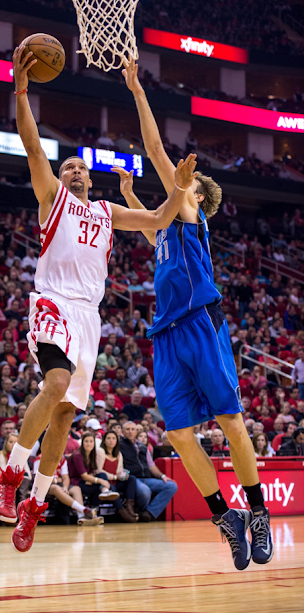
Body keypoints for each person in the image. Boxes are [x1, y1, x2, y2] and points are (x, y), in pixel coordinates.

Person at [0, 43, 192, 553]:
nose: (76, 170)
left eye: (82, 167)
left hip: (89, 318)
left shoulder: (104, 211)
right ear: (60, 179)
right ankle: (11, 475)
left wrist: (180, 191)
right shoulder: (51, 199)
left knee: (64, 415)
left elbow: (158, 220)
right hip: (53, 301)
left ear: (91, 178)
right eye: (70, 167)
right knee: (54, 382)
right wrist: (21, 92)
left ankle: (35, 503)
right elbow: (35, 146)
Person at [120, 56, 272, 570]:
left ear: (199, 198)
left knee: (231, 419)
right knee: (180, 435)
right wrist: (127, 196)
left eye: (192, 181)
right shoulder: (166, 226)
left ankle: (256, 512)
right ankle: (224, 517)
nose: (187, 180)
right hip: (167, 334)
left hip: (201, 325)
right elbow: (147, 223)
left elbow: (159, 154)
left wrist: (138, 89)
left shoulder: (190, 213)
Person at [120, 422, 177, 522]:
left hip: (147, 478)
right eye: (127, 429)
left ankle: (149, 512)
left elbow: (151, 466)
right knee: (145, 492)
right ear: (123, 432)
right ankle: (142, 511)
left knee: (171, 486)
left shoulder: (143, 446)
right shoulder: (120, 445)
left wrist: (162, 476)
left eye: (132, 429)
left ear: (136, 432)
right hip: (132, 479)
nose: (130, 432)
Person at [33, 448, 102, 526]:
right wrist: (57, 480)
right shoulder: (40, 458)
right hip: (42, 486)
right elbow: (38, 478)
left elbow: (65, 478)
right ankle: (84, 510)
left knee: (76, 488)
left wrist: (65, 488)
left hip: (59, 484)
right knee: (55, 488)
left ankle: (81, 517)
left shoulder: (61, 459)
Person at [67, 433, 119, 513]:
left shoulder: (92, 454)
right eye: (86, 441)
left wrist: (91, 479)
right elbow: (84, 476)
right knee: (100, 487)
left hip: (85, 480)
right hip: (75, 482)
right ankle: (94, 507)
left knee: (102, 475)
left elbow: (91, 471)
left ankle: (104, 491)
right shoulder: (78, 455)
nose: (89, 444)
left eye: (91, 441)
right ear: (82, 443)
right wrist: (100, 481)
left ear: (94, 443)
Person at [97, 430, 139, 522]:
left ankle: (129, 506)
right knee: (112, 488)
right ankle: (122, 513)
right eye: (108, 438)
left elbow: (119, 471)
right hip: (104, 484)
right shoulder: (100, 451)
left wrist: (123, 475)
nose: (111, 440)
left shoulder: (119, 454)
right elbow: (98, 470)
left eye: (113, 438)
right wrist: (115, 477)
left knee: (132, 479)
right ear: (104, 440)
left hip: (115, 481)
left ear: (117, 441)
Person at [0, 433, 31, 504]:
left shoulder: (22, 456)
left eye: (16, 442)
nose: (13, 444)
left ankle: (21, 503)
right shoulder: (1, 455)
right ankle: (17, 505)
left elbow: (29, 476)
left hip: (20, 483)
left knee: (25, 477)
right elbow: (2, 474)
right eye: (11, 442)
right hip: (5, 482)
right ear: (6, 443)